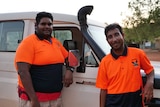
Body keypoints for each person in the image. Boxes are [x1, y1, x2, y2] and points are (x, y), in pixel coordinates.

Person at [14, 12, 74, 107]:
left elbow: (71, 58)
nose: (47, 26)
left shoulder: (55, 42)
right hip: (35, 99)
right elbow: (23, 72)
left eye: (49, 24)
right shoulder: (28, 43)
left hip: (55, 98)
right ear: (36, 25)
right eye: (43, 24)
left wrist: (69, 70)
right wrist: (33, 99)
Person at [96, 23, 154, 107]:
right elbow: (103, 90)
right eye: (110, 37)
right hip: (113, 103)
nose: (114, 39)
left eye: (116, 35)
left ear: (123, 35)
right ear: (107, 40)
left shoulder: (138, 54)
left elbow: (150, 71)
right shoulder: (105, 62)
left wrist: (150, 83)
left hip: (135, 102)